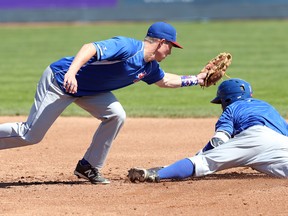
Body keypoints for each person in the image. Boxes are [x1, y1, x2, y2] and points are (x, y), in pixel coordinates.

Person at [0, 22, 208, 184]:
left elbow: (165, 81)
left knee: (116, 115)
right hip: (61, 81)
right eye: (171, 46)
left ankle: (88, 166)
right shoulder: (128, 47)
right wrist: (71, 74)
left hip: (90, 91)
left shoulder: (150, 66)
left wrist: (197, 79)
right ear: (161, 42)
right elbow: (89, 48)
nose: (170, 51)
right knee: (31, 134)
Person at [128, 78, 288, 183]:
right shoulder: (268, 107)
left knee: (203, 162)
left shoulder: (231, 109)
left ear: (226, 100)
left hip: (253, 139)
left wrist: (201, 154)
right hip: (281, 142)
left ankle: (154, 174)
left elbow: (219, 141)